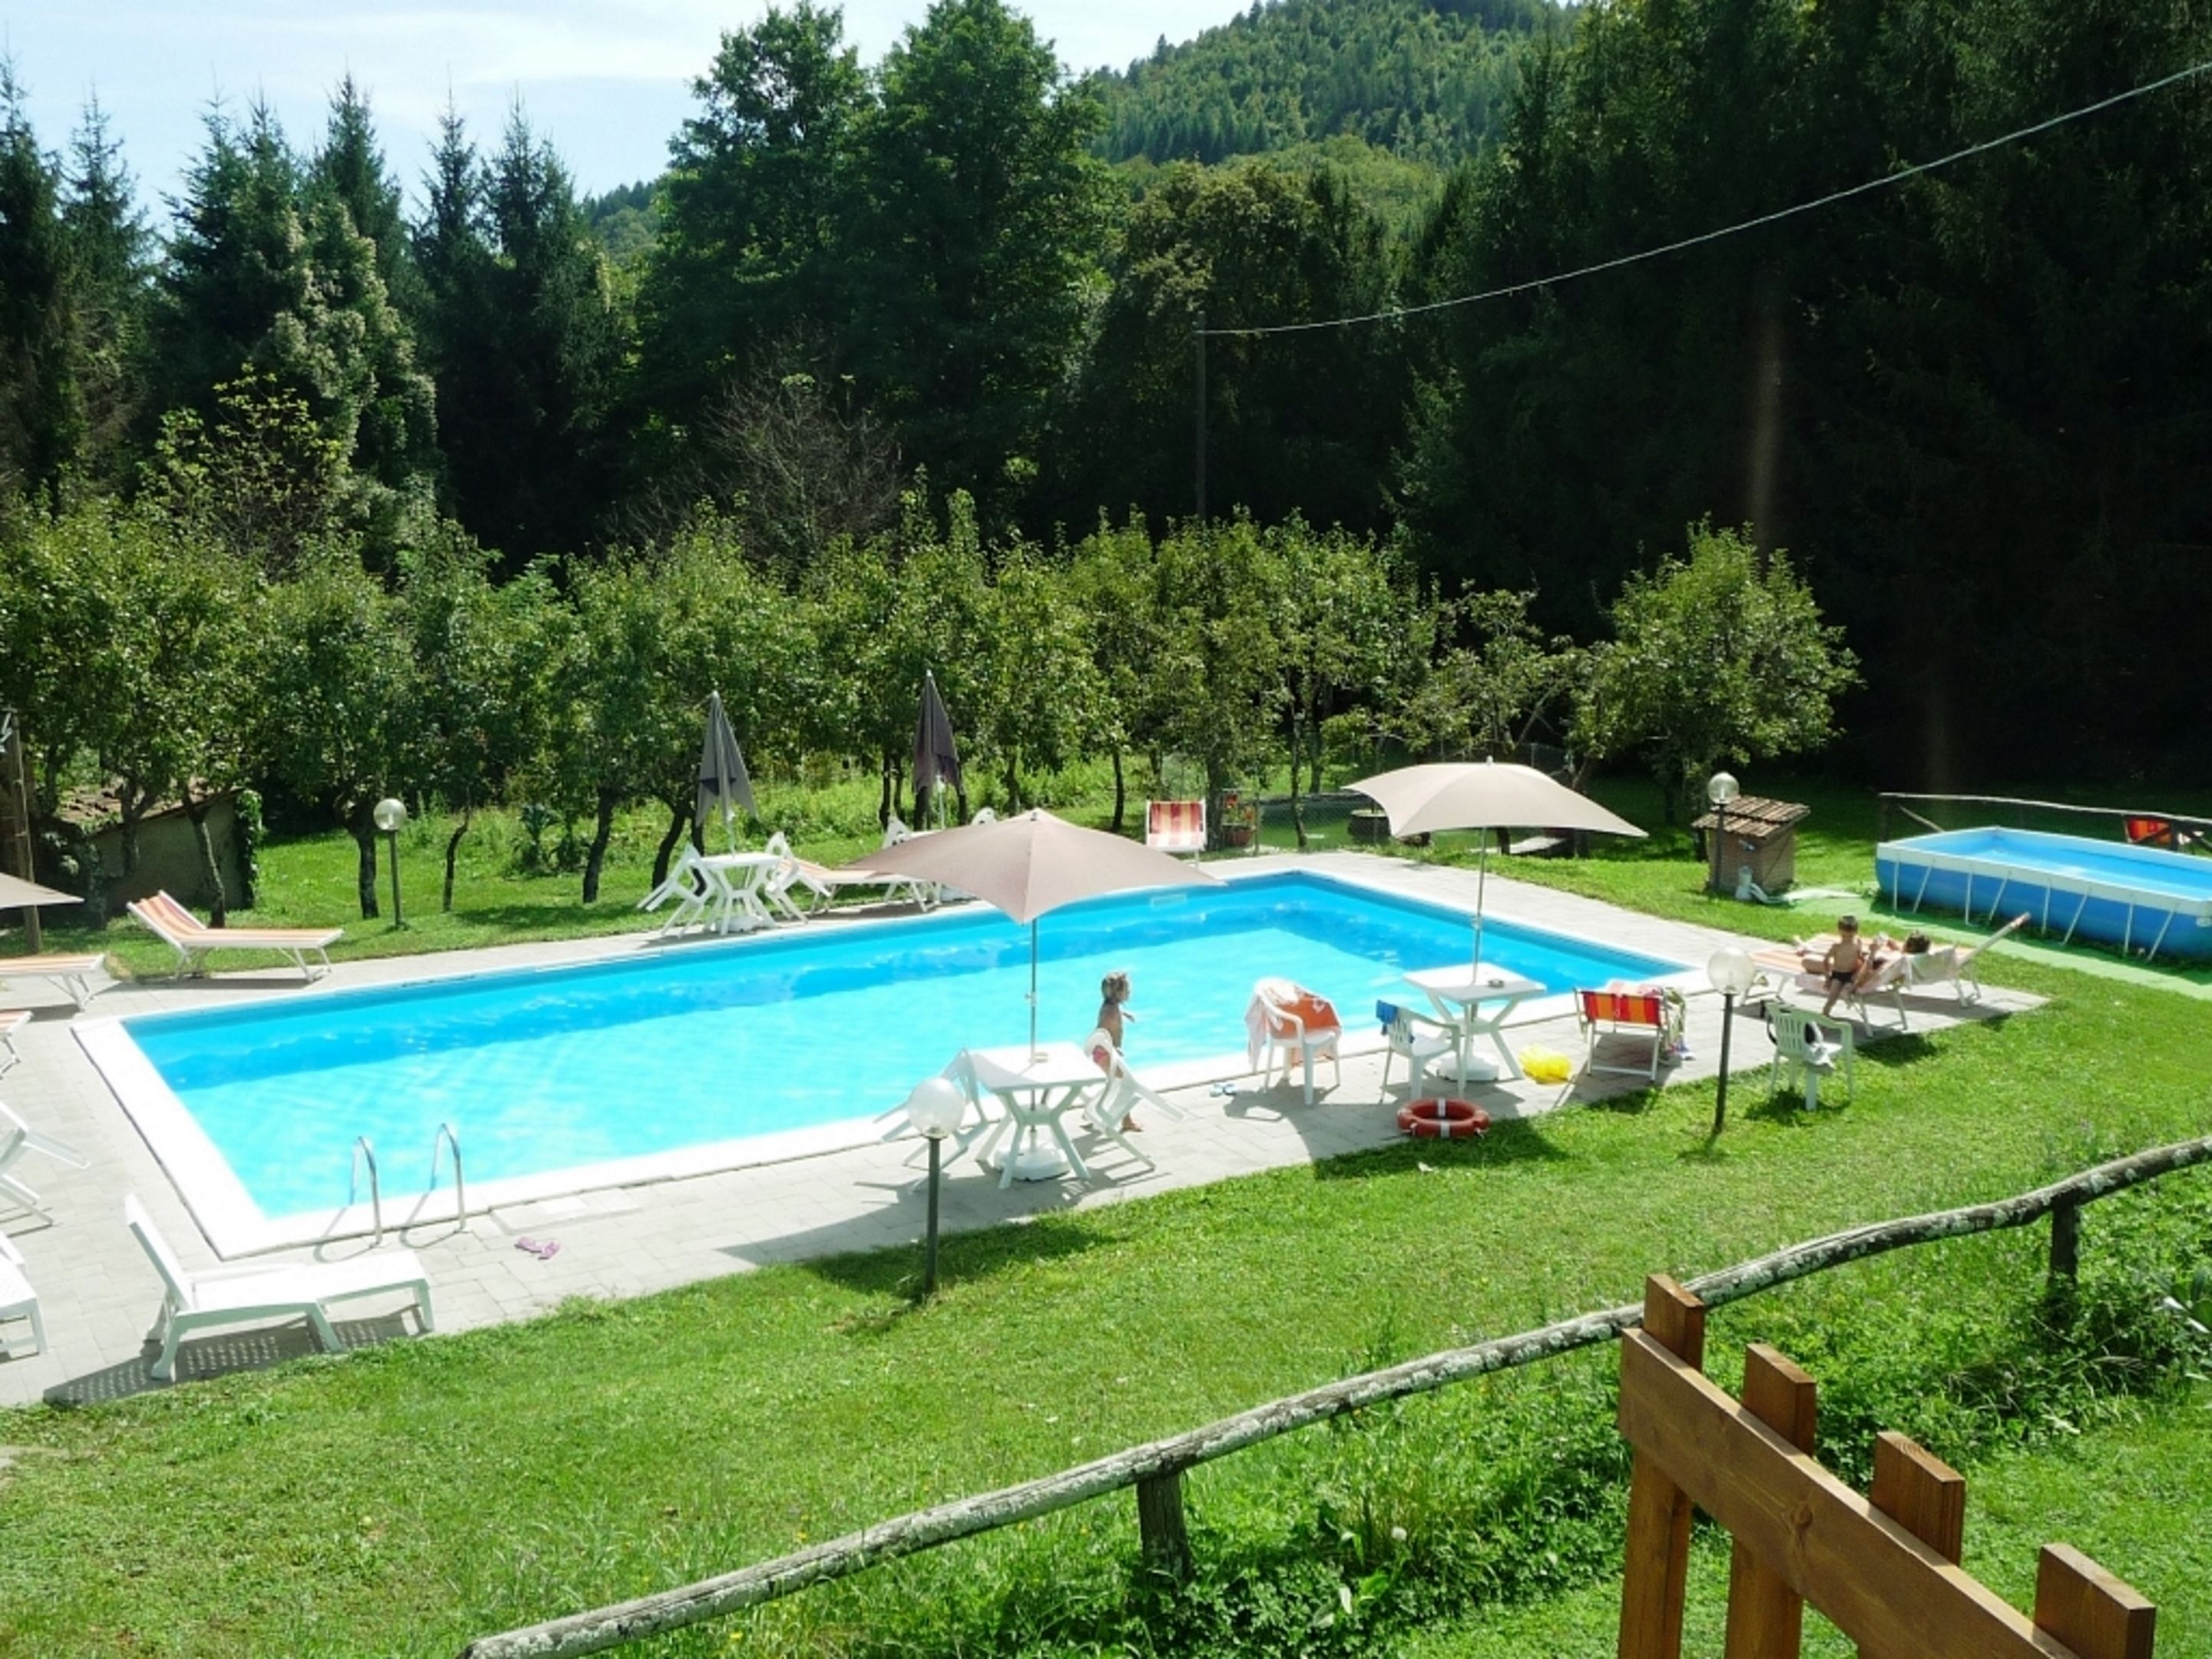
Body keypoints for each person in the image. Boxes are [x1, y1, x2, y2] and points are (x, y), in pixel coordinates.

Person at [1804, 916, 1886, 1018]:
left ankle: (1848, 996)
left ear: (1856, 932)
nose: (1847, 939)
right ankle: (1825, 1014)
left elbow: (1860, 957)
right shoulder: (1837, 946)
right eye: (1844, 936)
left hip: (1851, 974)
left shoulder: (1858, 943)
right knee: (1832, 998)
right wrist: (1827, 977)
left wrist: (1871, 953)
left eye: (1850, 936)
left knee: (1852, 986)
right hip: (1838, 974)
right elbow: (1826, 960)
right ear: (1839, 931)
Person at [1096, 971, 1140, 1131]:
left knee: (1113, 1082)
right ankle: (1126, 1121)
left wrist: (1124, 1014)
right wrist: (1113, 1049)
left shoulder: (1111, 1007)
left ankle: (1094, 1110)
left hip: (1104, 1053)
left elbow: (1112, 1015)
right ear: (1120, 993)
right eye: (1127, 991)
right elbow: (1101, 1031)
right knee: (1127, 1085)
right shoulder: (1111, 1012)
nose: (1129, 993)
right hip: (1107, 1054)